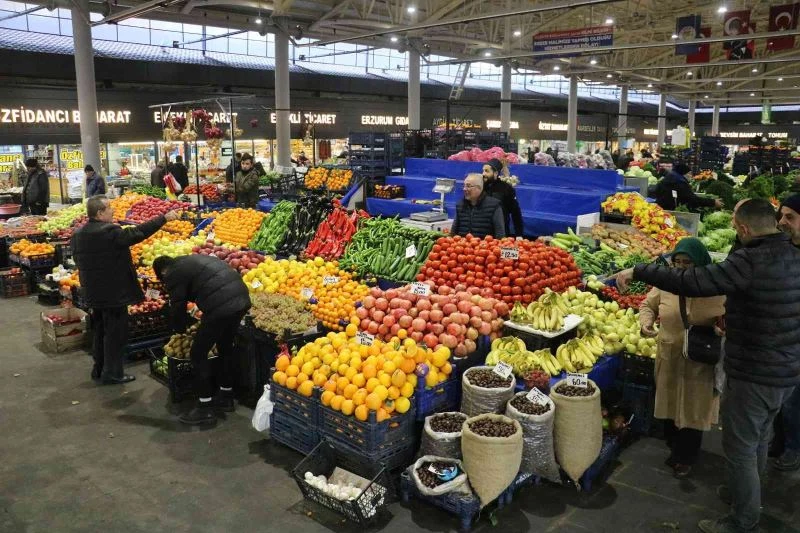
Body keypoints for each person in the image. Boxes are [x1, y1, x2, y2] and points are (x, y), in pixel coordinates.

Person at [615, 199, 800, 533]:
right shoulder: (794, 255)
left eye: (734, 224)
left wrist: (639, 270)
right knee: (758, 438)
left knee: (741, 447)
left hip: (754, 370)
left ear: (743, 228)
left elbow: (694, 282)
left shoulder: (750, 260)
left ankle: (742, 519)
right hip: (785, 370)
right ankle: (742, 494)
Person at [639, 237, 726, 479]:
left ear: (700, 263)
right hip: (669, 355)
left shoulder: (717, 288)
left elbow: (733, 318)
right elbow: (647, 305)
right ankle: (673, 442)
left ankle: (685, 457)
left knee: (694, 407)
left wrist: (723, 328)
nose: (681, 267)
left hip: (700, 361)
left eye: (687, 263)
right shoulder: (666, 284)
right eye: (677, 262)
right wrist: (646, 322)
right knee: (668, 401)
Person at [71, 196, 179, 385]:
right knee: (115, 334)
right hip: (113, 293)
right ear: (100, 213)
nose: (112, 210)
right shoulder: (110, 231)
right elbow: (137, 233)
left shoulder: (78, 234)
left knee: (100, 331)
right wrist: (163, 218)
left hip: (93, 292)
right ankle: (113, 373)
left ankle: (98, 369)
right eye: (109, 208)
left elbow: (77, 259)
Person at [153, 255, 251, 426]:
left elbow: (177, 305)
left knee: (198, 354)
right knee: (225, 346)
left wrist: (179, 330)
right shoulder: (189, 261)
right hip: (241, 298)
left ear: (162, 272)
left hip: (221, 305)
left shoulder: (172, 274)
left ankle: (204, 407)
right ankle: (226, 396)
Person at [773, 193, 800, 471]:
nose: (782, 222)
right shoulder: (783, 248)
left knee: (794, 401)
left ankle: (793, 447)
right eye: (781, 216)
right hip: (781, 337)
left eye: (790, 217)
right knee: (781, 399)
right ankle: (779, 442)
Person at [451, 174, 506, 238]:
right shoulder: (460, 205)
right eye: (464, 186)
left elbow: (500, 234)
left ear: (479, 188)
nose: (464, 189)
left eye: (468, 186)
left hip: (485, 246)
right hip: (461, 246)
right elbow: (453, 232)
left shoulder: (494, 205)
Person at [654, 161, 723, 212]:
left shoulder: (669, 178)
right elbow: (692, 200)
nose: (691, 176)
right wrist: (713, 202)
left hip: (661, 209)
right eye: (689, 174)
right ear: (683, 173)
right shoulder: (679, 182)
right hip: (669, 212)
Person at [482, 158, 524, 237]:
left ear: (496, 173)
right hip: (482, 232)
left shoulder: (506, 188)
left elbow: (516, 213)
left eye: (487, 171)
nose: (483, 174)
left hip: (501, 233)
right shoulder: (480, 187)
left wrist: (519, 235)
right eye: (483, 170)